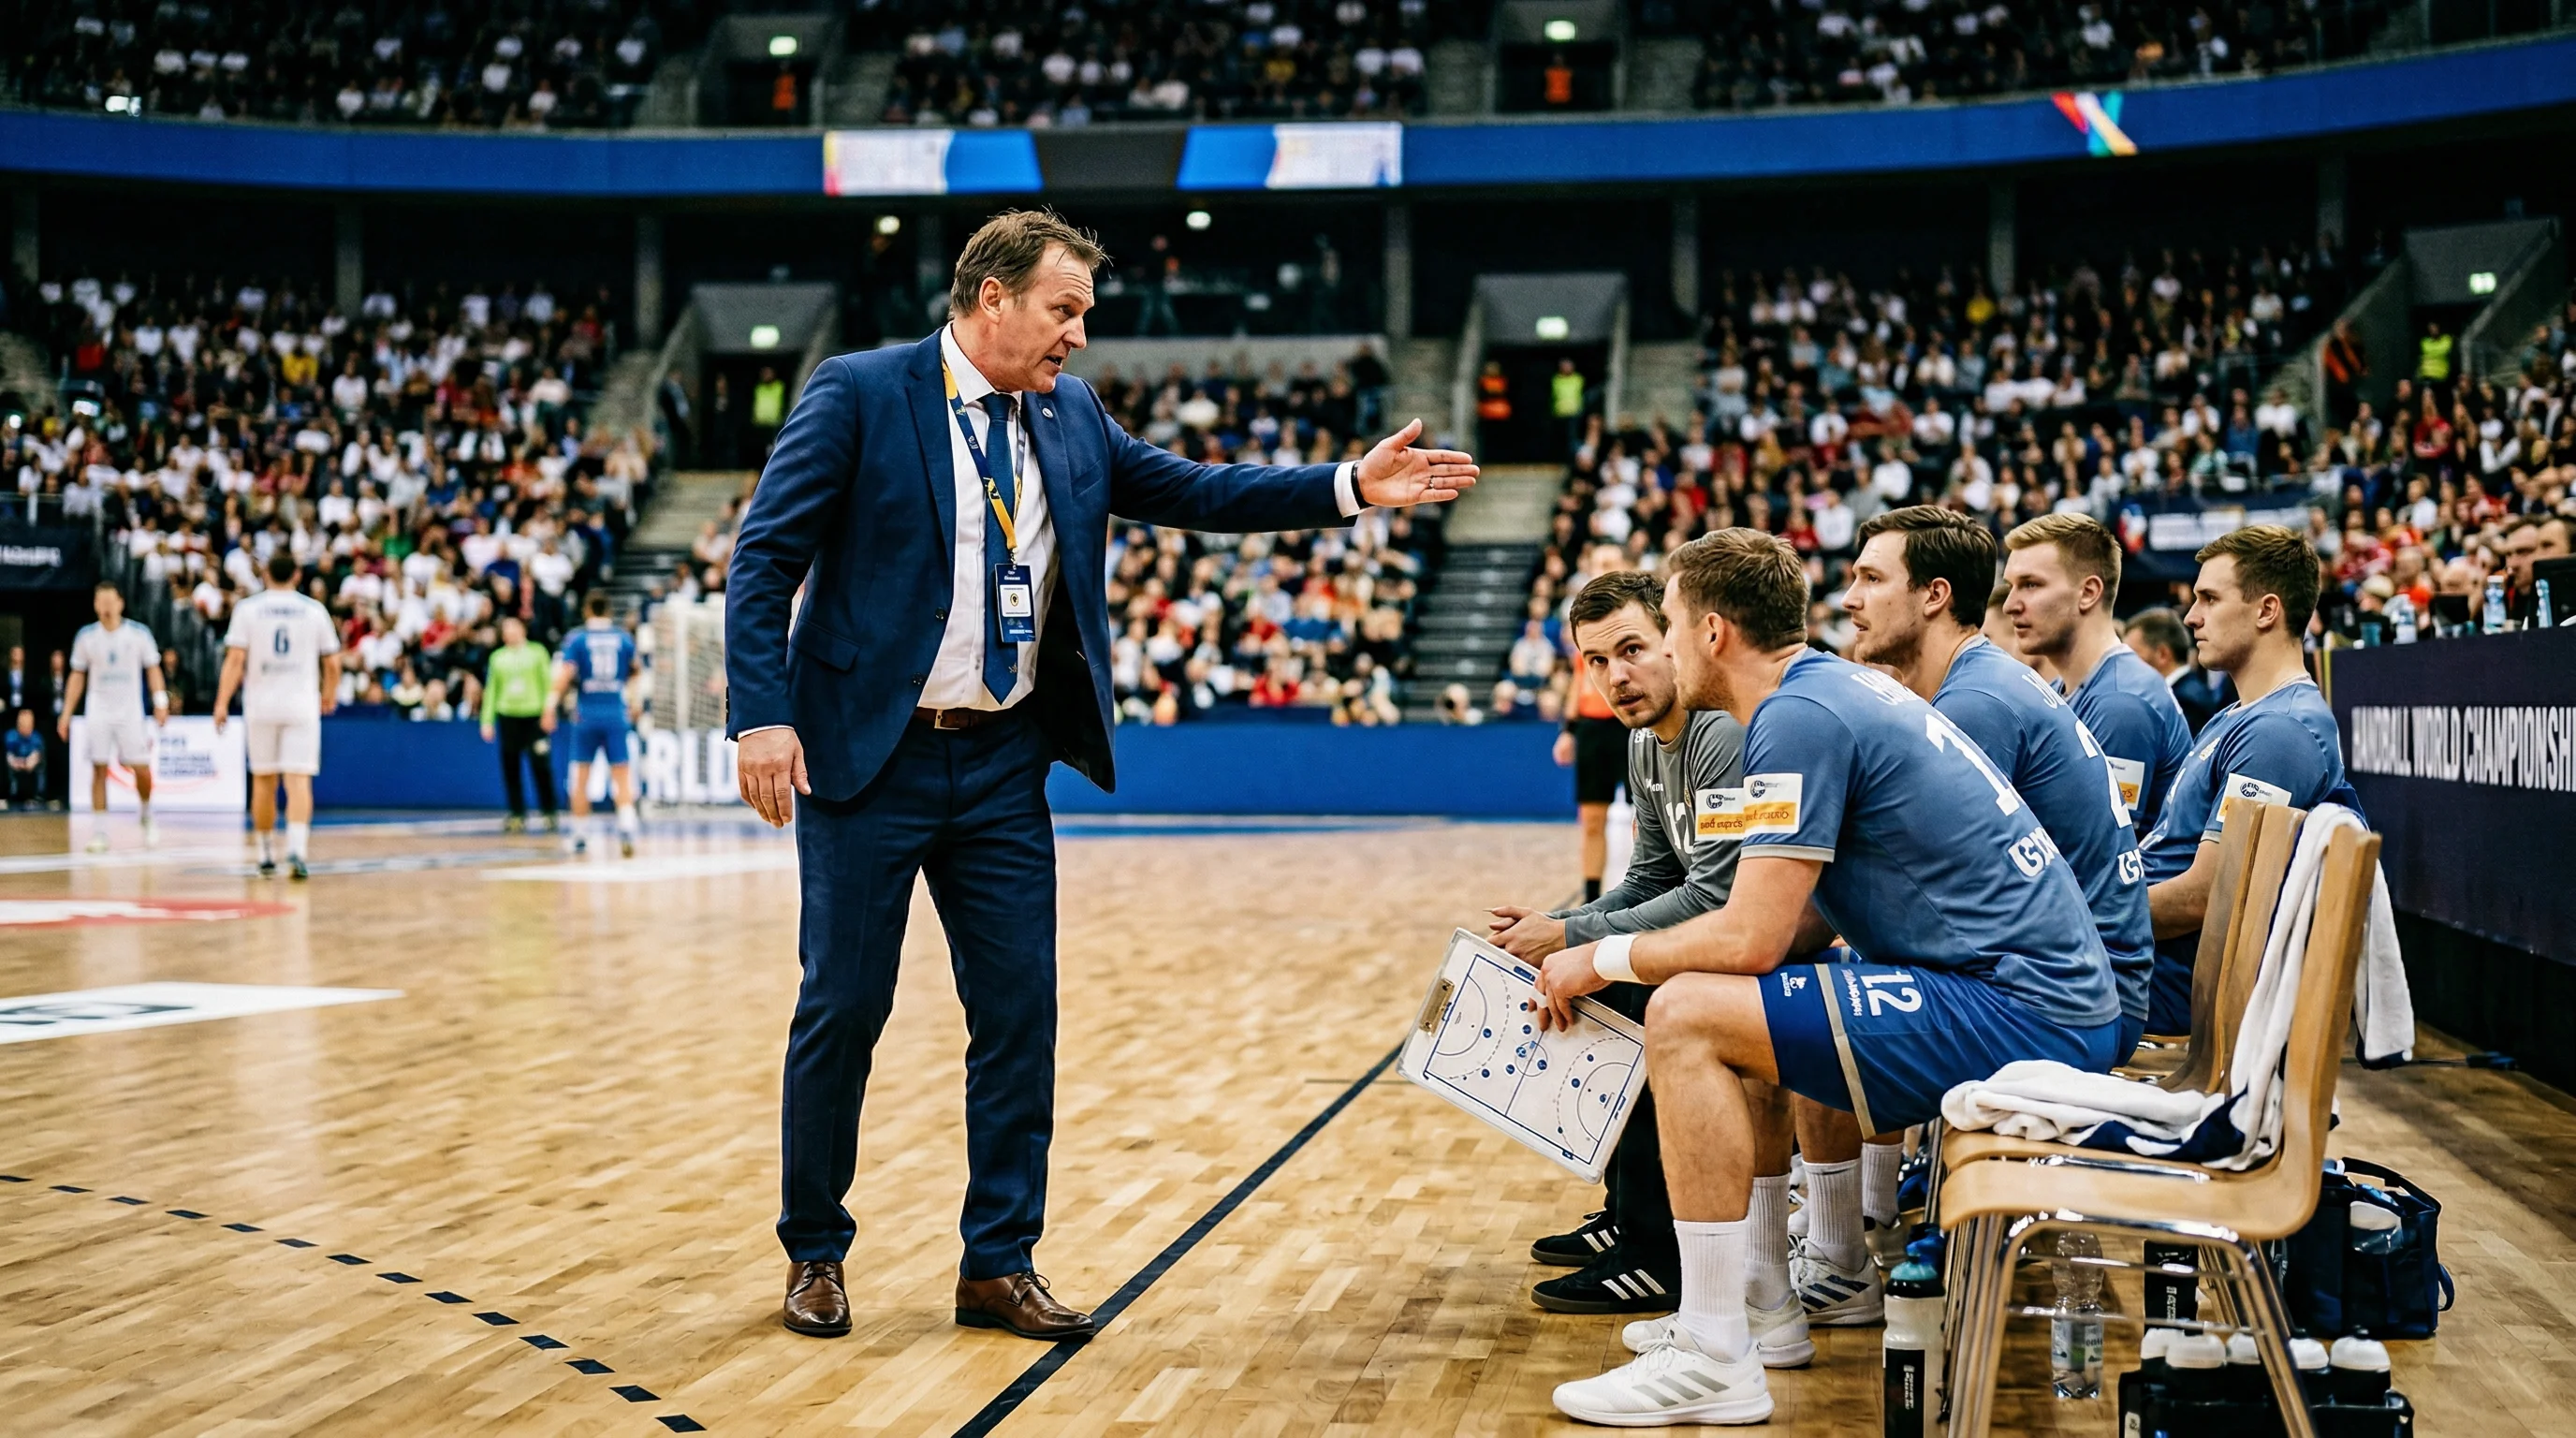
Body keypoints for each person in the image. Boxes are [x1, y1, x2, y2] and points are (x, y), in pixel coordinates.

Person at [723, 209, 1476, 1343]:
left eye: (1083, 314)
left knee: (1020, 1019)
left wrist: (1347, 488)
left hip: (1001, 766)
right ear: (991, 298)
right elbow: (765, 553)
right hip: (864, 761)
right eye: (1062, 309)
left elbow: (1194, 490)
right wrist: (760, 717)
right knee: (843, 1010)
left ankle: (998, 1263)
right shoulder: (862, 391)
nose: (1079, 334)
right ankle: (815, 1253)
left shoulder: (1069, 415)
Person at [1532, 528, 2115, 1428]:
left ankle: (1716, 1350)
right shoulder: (1819, 696)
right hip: (2027, 992)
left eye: (1672, 627)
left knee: (1687, 1013)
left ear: (1714, 632)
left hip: (2026, 1011)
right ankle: (1762, 1298)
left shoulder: (1799, 718)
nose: (1668, 647)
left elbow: (1752, 934)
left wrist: (1597, 955)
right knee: (1758, 993)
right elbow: (1793, 921)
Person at [1487, 570, 1746, 1319]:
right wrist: (1558, 931)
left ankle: (1655, 1253)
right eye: (1597, 662)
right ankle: (1628, 1214)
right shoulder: (1643, 744)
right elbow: (1651, 878)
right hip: (1717, 935)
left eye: (1631, 648)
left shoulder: (1717, 733)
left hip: (1767, 944)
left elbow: (1714, 894)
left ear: (1674, 639)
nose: (1616, 676)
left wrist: (1572, 937)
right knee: (1609, 982)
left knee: (1635, 994)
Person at [1845, 506, 2153, 1065]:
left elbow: (1928, 883)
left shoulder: (1974, 703)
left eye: (1871, 579)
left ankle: (1849, 1160)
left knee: (1815, 987)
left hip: (2076, 997)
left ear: (1934, 595)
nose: (1850, 599)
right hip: (2092, 979)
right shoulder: (1982, 680)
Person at [2140, 525, 2353, 1036]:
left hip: (2163, 984)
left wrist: (2075, 917)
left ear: (2266, 611)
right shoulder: (2239, 714)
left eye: (2209, 599)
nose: (2191, 617)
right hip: (2140, 963)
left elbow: (2207, 894)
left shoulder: (2278, 732)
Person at [2003, 513, 2192, 832]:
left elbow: (2102, 856)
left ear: (2088, 592)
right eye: (2011, 586)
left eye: (2030, 584)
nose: (2010, 604)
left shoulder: (2121, 702)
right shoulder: (2061, 688)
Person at [212, 551, 344, 880]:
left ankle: (265, 853)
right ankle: (297, 851)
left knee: (264, 780)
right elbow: (333, 663)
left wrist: (221, 702)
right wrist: (329, 694)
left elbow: (235, 661)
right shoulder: (314, 611)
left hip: (261, 704)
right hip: (301, 705)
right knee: (298, 780)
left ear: (266, 573)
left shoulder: (248, 609)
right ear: (297, 575)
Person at [63, 580, 168, 850]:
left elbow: (153, 668)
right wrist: (66, 713)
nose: (106, 607)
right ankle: (100, 833)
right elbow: (77, 675)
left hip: (130, 710)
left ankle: (146, 814)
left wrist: (160, 700)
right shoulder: (86, 637)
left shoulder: (138, 634)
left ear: (121, 603)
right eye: (101, 602)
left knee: (142, 770)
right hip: (98, 708)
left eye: (110, 601)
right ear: (95, 605)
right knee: (99, 768)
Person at [552, 592, 640, 857]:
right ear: (609, 611)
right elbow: (636, 671)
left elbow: (566, 673)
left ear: (587, 611)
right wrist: (634, 702)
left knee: (581, 776)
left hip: (586, 714)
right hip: (615, 712)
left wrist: (550, 703)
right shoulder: (623, 638)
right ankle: (626, 827)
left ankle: (580, 835)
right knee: (621, 774)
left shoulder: (578, 638)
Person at [1557, 652, 1627, 902]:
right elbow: (1579, 682)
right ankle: (1591, 897)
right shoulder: (1584, 646)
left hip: (1628, 723)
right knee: (1593, 820)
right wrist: (1568, 730)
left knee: (1645, 817)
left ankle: (1649, 890)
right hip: (1592, 730)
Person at [481, 615, 559, 834]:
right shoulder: (497, 657)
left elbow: (548, 683)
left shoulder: (537, 652)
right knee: (511, 768)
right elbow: (492, 690)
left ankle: (549, 812)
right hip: (508, 717)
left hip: (534, 717)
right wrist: (487, 720)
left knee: (541, 766)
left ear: (522, 629)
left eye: (513, 628)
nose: (509, 633)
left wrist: (549, 711)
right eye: (505, 629)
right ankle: (517, 814)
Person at [2123, 606, 2233, 734]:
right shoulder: (2186, 693)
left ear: (2162, 654)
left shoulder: (2186, 701)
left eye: (2132, 654)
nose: (2126, 662)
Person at [5, 709, 43, 809]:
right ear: (18, 724)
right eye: (23, 724)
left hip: (30, 769)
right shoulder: (11, 736)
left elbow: (36, 755)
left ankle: (36, 796)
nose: (26, 728)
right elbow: (9, 756)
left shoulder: (37, 737)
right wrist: (15, 762)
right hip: (15, 767)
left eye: (29, 725)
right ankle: (9, 796)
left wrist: (28, 763)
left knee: (38, 764)